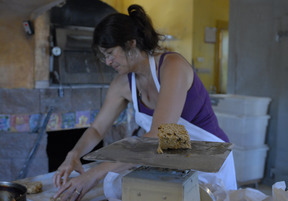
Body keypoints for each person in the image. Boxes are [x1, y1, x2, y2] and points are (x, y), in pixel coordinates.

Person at [53, 4, 237, 201]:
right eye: (103, 56)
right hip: (175, 162)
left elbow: (159, 136)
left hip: (209, 162)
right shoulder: (122, 84)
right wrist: (74, 154)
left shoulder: (172, 67)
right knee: (115, 184)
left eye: (110, 53)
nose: (107, 62)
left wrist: (95, 173)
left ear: (131, 44)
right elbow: (97, 129)